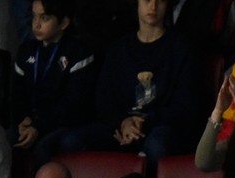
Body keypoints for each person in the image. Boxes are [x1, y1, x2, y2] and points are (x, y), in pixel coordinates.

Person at [39, 0, 196, 161]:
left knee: (158, 145)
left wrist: (144, 123)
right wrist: (123, 122)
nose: (153, 6)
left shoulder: (180, 48)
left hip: (159, 127)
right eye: (147, 0)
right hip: (119, 128)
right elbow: (104, 101)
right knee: (70, 142)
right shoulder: (118, 49)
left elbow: (183, 105)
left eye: (160, 1)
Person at [9, 0, 97, 153]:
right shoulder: (26, 50)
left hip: (62, 125)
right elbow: (17, 95)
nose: (36, 25)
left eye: (44, 18)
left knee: (44, 147)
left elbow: (73, 106)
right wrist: (23, 120)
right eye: (34, 17)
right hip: (31, 123)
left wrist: (38, 126)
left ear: (63, 23)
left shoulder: (78, 52)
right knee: (2, 137)